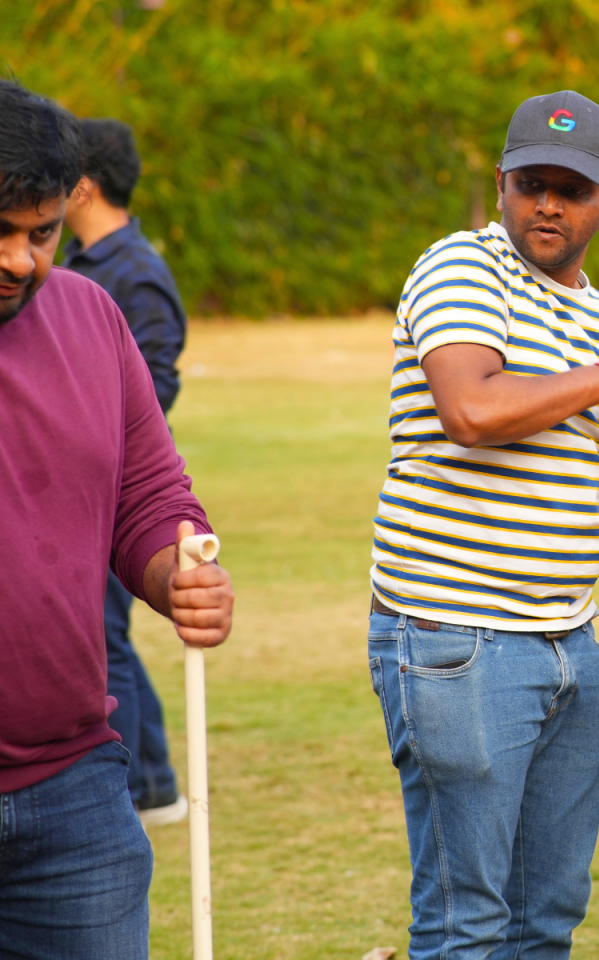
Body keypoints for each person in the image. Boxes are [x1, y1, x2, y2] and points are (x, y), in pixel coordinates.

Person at [367, 89, 599, 959]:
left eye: (573, 189)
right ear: (500, 182)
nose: (548, 205)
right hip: (457, 640)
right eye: (532, 183)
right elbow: (471, 410)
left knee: (545, 922)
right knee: (467, 924)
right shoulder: (462, 266)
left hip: (573, 647)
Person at [0, 80, 235, 958]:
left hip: (76, 796)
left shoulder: (93, 317)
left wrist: (179, 575)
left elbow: (151, 497)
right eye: (0, 230)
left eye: (42, 233)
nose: (21, 260)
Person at [62, 116, 191, 826]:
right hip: (66, 491)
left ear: (80, 185)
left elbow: (155, 384)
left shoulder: (135, 272)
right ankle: (153, 778)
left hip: (111, 492)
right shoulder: (67, 265)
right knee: (101, 632)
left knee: (106, 636)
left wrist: (92, 445)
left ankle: (142, 787)